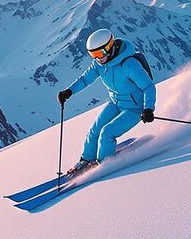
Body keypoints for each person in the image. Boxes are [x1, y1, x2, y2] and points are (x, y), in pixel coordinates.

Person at [57, 28, 155, 176]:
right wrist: (69, 91)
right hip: (115, 103)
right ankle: (85, 161)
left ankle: (103, 165)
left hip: (135, 108)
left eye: (99, 53)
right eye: (93, 55)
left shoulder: (129, 65)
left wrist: (148, 109)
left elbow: (148, 86)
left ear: (109, 47)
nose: (97, 58)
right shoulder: (99, 64)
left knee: (107, 133)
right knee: (94, 131)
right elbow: (85, 79)